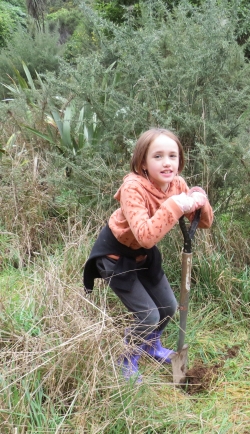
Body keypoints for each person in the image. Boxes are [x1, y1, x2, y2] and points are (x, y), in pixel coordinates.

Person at [84, 128, 213, 384]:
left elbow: (205, 222)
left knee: (168, 307)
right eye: (158, 156)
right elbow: (144, 235)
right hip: (115, 257)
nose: (167, 162)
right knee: (148, 315)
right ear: (143, 161)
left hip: (144, 256)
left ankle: (151, 345)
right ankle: (127, 357)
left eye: (172, 156)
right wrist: (176, 205)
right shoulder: (133, 188)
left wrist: (200, 198)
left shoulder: (177, 184)